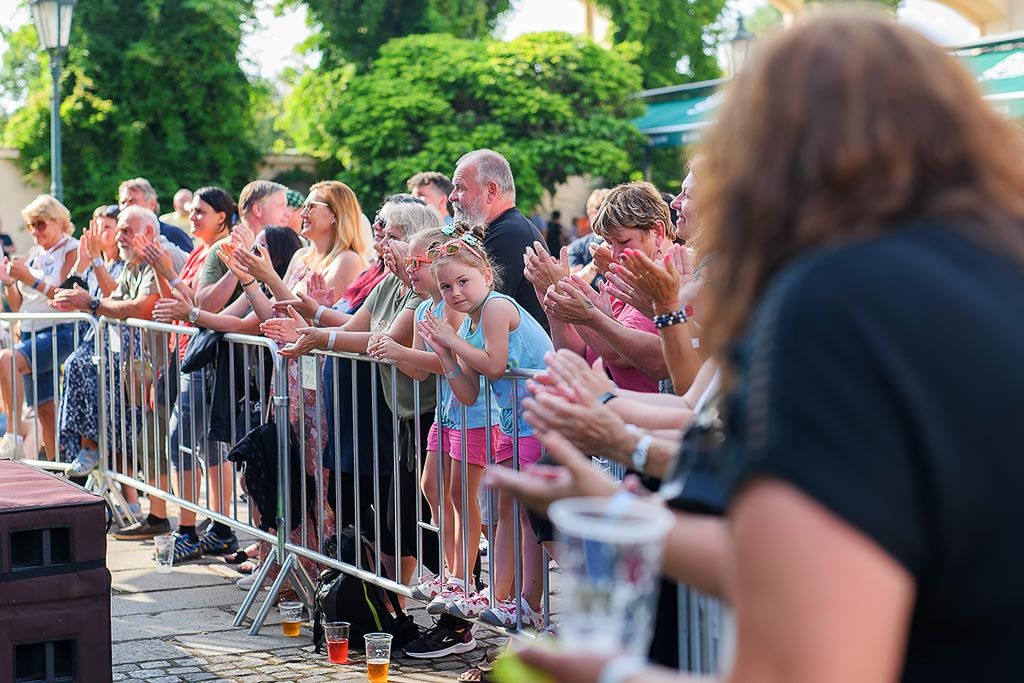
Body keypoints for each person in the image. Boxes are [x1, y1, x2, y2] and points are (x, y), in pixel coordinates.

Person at [503, 11, 1024, 683]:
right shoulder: (999, 273)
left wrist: (611, 674)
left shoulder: (834, 299)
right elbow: (841, 553)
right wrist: (624, 505)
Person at [415, 222, 553, 632]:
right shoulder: (472, 325)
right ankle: (505, 598)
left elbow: (494, 364)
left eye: (463, 281)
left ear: (486, 277)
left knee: (530, 520)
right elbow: (469, 393)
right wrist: (444, 355)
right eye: (446, 287)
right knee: (511, 512)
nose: (455, 293)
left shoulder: (495, 307)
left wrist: (452, 342)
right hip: (515, 426)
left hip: (540, 420)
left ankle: (525, 602)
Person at [54, 206, 188, 539]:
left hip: (164, 365)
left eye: (127, 230)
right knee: (146, 444)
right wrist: (97, 269)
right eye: (120, 230)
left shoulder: (162, 258)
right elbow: (115, 298)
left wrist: (93, 304)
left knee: (160, 445)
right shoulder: (132, 265)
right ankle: (156, 517)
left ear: (149, 233)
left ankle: (178, 524)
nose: (120, 236)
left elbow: (141, 308)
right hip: (141, 369)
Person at [144, 187, 241, 560]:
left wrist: (167, 269)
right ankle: (219, 525)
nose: (192, 217)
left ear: (222, 215)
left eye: (201, 212)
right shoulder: (202, 249)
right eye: (193, 211)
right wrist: (160, 271)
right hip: (191, 352)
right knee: (205, 445)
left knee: (181, 440)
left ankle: (188, 528)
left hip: (208, 357)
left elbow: (199, 304)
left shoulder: (221, 248)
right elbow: (176, 302)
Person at [0, 195, 79, 461]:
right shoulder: (35, 253)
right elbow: (17, 303)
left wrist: (30, 279)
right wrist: (10, 282)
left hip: (61, 332)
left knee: (8, 359)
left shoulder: (72, 249)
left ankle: (12, 436)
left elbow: (66, 295)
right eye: (31, 226)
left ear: (59, 222)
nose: (35, 231)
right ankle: (57, 466)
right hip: (33, 331)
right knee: (45, 410)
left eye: (41, 224)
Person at [449, 149, 547, 330]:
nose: (452, 196)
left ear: (491, 191)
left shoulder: (509, 235)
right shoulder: (506, 229)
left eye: (460, 187)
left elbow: (473, 311)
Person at [60, 205, 126, 474]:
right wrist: (81, 263)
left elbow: (114, 296)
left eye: (107, 227)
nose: (100, 233)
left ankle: (90, 448)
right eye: (96, 227)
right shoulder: (95, 263)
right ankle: (83, 447)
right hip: (94, 340)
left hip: (117, 345)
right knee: (75, 365)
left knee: (79, 364)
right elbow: (64, 296)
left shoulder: (123, 265)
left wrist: (97, 261)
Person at [196, 180, 291, 312]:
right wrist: (238, 264)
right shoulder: (222, 248)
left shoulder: (293, 246)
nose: (288, 213)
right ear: (257, 209)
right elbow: (204, 306)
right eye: (281, 206)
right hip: (228, 329)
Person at [118, 178, 195, 253]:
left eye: (132, 201)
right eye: (122, 202)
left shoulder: (173, 235)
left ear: (152, 204)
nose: (125, 206)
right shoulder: (118, 239)